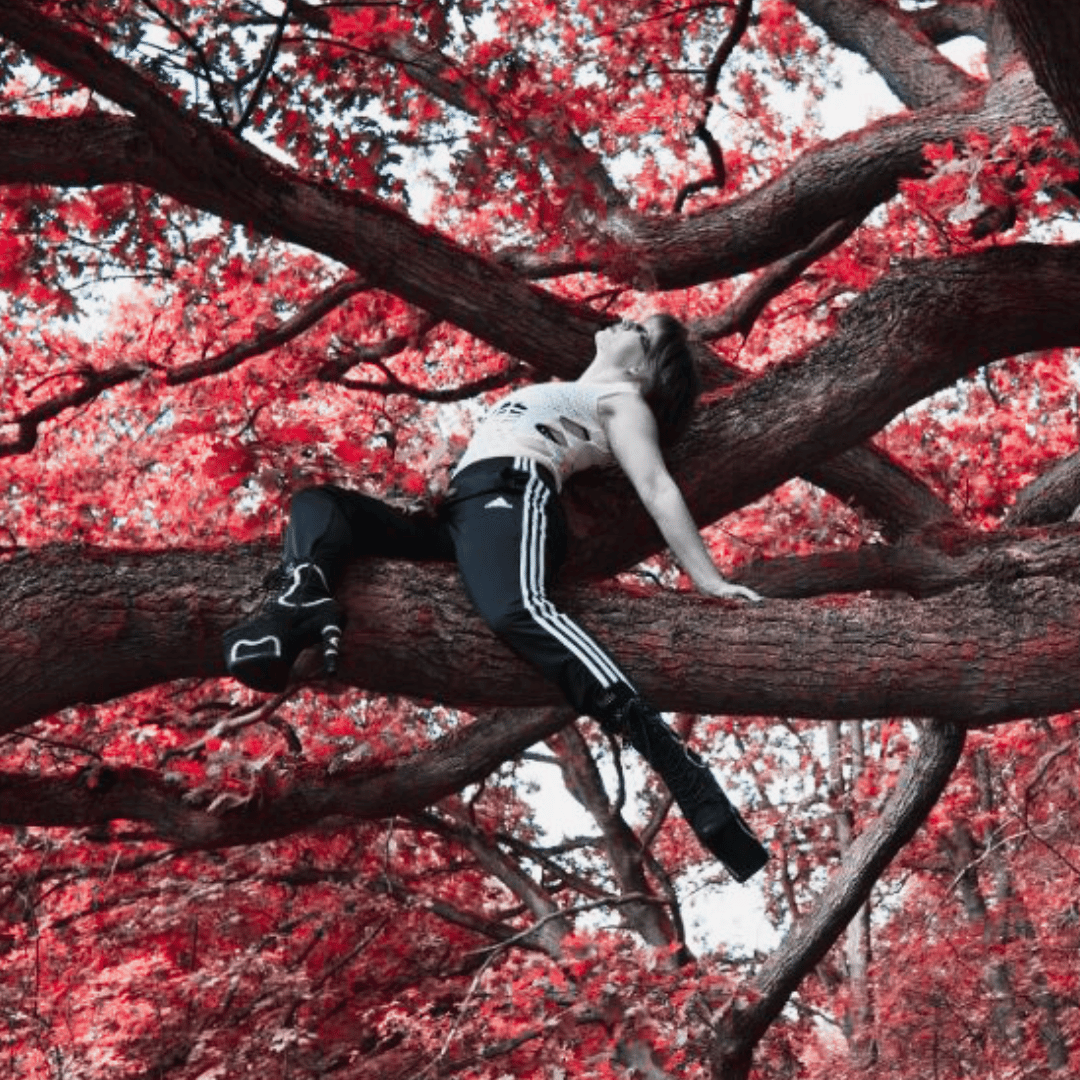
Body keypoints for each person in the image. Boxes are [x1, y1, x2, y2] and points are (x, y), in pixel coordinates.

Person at [223, 314, 769, 881]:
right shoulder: (574, 389)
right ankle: (298, 602)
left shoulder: (623, 400)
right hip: (460, 511)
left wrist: (707, 578)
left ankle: (675, 762)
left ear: (643, 365)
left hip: (516, 494)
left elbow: (656, 486)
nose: (620, 320)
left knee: (518, 609)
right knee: (320, 504)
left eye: (639, 328)